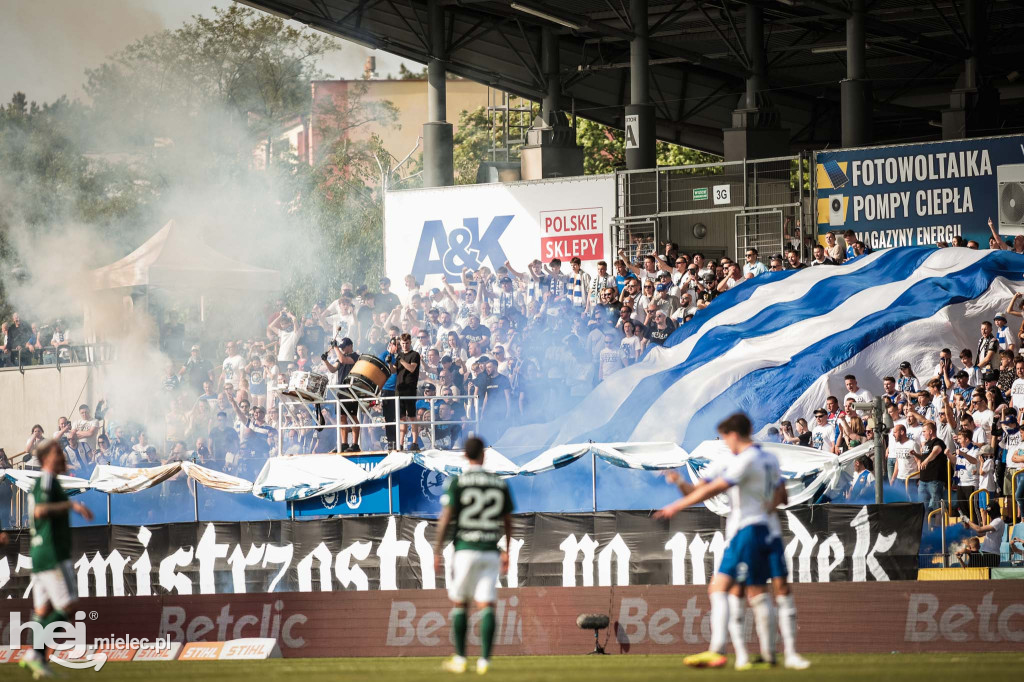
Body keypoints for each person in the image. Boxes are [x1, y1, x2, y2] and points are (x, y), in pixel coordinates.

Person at [656, 413, 807, 670]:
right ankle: (774, 655)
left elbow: (710, 490)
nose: (724, 442)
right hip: (770, 529)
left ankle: (719, 650)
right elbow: (782, 496)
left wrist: (675, 506)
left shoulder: (742, 460)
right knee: (765, 590)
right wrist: (681, 482)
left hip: (745, 531)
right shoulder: (769, 458)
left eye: (725, 437)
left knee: (723, 589)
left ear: (734, 435)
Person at [434, 437, 514, 675]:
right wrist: (507, 549)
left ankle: (460, 658)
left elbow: (447, 517)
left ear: (464, 455)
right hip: (490, 550)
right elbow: (508, 519)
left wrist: (437, 550)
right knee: (487, 605)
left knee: (461, 603)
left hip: (466, 548)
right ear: (483, 455)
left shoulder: (458, 482)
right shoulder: (498, 483)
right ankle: (485, 661)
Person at [19, 439, 94, 679]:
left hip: (40, 554)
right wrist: (71, 505)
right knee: (69, 605)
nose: (62, 456)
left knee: (42, 610)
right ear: (48, 458)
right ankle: (35, 653)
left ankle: (37, 657)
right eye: (58, 452)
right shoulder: (47, 480)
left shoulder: (49, 483)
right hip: (52, 553)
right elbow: (40, 511)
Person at [394, 333, 421, 450]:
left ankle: (415, 442)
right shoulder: (398, 356)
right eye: (403, 343)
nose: (405, 346)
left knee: (412, 417)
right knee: (402, 418)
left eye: (407, 343)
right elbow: (392, 371)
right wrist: (390, 361)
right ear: (400, 343)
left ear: (410, 343)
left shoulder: (415, 355)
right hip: (399, 389)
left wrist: (401, 360)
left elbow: (411, 368)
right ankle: (400, 443)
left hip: (410, 389)